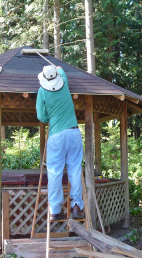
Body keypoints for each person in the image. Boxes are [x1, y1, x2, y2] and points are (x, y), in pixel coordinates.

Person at [36, 65, 84, 221]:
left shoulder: (42, 91)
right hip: (74, 132)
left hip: (56, 134)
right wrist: (56, 68)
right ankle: (77, 206)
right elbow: (61, 68)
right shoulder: (63, 81)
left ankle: (55, 210)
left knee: (54, 171)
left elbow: (42, 118)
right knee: (75, 169)